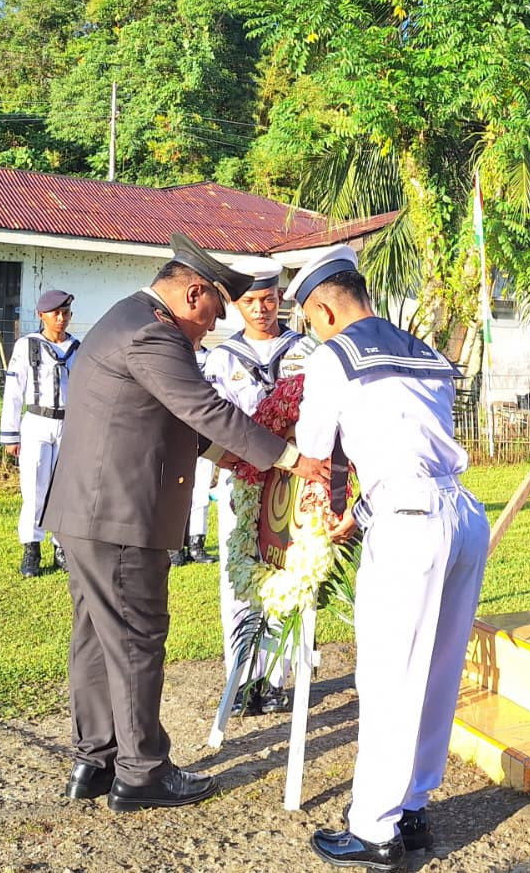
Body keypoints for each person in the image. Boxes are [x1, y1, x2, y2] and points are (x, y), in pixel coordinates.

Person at [40, 233, 330, 813]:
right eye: (211, 316)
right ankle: (141, 772)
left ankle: (94, 759)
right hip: (121, 518)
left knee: (98, 639)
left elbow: (179, 425)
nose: (208, 331)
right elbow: (204, 407)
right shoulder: (152, 331)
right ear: (193, 292)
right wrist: (292, 459)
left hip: (90, 514)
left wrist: (240, 462)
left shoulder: (126, 319)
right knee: (136, 639)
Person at [285, 246, 490, 871]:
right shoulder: (423, 351)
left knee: (388, 674)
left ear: (323, 308)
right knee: (437, 670)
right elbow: (414, 445)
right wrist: (361, 512)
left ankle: (375, 829)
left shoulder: (333, 359)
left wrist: (323, 506)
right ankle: (414, 809)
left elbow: (316, 451)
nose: (314, 331)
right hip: (461, 514)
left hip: (407, 524)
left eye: (311, 321)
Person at [202, 254, 318, 717]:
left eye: (269, 300)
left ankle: (275, 680)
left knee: (290, 573)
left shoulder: (306, 351)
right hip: (243, 482)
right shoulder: (221, 358)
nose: (262, 309)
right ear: (237, 306)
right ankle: (242, 676)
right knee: (241, 578)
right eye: (251, 301)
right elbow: (213, 422)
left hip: (294, 485)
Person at [0, 289, 79, 577]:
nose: (61, 318)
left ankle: (61, 546)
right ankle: (32, 547)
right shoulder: (27, 346)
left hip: (68, 424)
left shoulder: (76, 348)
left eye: (66, 312)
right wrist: (10, 434)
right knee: (34, 489)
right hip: (37, 422)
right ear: (41, 315)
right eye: (55, 313)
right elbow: (14, 391)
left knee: (64, 490)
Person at [169, 344, 221, 567]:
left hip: (205, 432)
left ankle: (196, 542)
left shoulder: (213, 359)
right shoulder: (172, 354)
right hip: (177, 433)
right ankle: (173, 545)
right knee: (174, 492)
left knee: (201, 491)